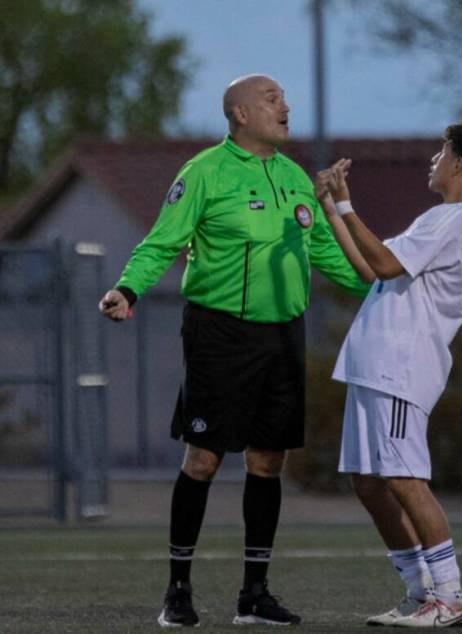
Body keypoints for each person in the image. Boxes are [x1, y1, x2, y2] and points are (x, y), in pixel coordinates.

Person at [98, 74, 373, 627]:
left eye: (285, 99)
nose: (285, 106)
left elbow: (328, 252)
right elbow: (163, 240)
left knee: (269, 460)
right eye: (273, 99)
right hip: (219, 333)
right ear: (240, 113)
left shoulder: (296, 178)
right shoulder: (203, 172)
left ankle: (254, 593)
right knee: (202, 458)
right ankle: (178, 591)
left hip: (283, 334)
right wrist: (127, 288)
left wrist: (388, 287)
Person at [314, 119, 462, 627]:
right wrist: (332, 207)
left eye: (441, 152)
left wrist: (348, 206)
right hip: (374, 366)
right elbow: (366, 268)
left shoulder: (459, 218)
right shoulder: (440, 218)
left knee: (404, 479)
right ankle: (419, 592)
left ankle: (450, 596)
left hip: (401, 366)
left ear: (459, 164)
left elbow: (382, 264)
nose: (434, 160)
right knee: (368, 483)